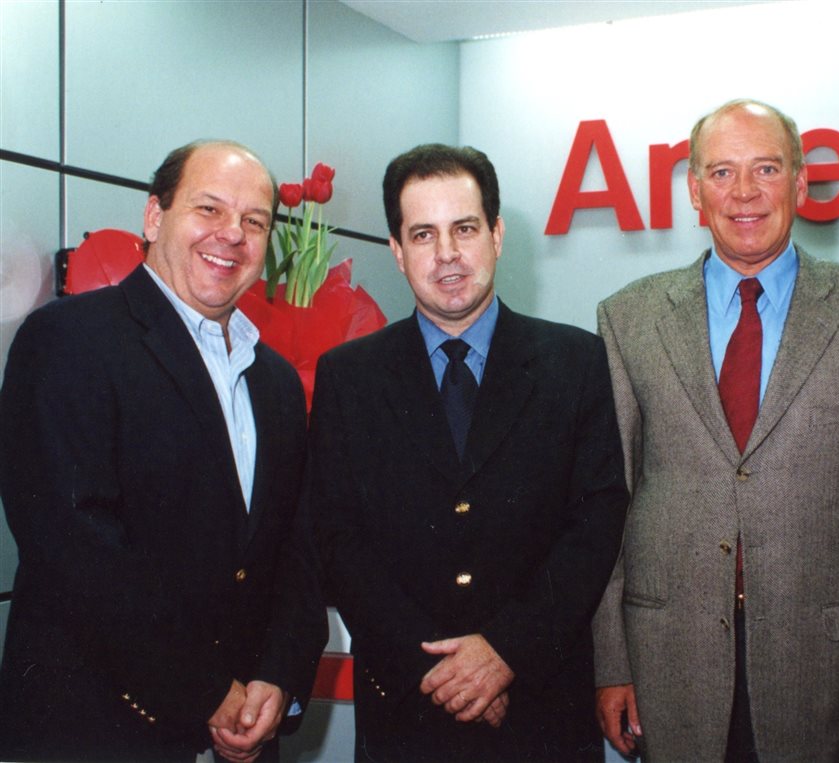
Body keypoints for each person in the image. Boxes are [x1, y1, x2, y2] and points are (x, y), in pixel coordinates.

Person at [591, 99, 839, 761]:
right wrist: (610, 661)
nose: (743, 192)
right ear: (694, 191)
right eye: (720, 173)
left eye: (766, 169)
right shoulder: (627, 319)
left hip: (825, 664)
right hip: (669, 660)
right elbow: (610, 507)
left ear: (799, 184)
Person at [0, 140, 327, 761]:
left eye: (253, 221)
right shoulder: (68, 339)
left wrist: (275, 682)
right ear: (154, 218)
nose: (232, 234)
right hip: (99, 731)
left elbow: (294, 550)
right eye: (209, 209)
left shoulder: (276, 381)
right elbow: (74, 546)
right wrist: (208, 692)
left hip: (243, 730)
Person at [304, 143, 628, 761]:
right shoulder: (350, 377)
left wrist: (505, 652)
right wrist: (441, 673)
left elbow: (595, 523)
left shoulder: (575, 362)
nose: (447, 253)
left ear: (497, 235)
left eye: (465, 228)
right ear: (397, 252)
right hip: (406, 711)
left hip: (541, 708)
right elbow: (337, 538)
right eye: (423, 234)